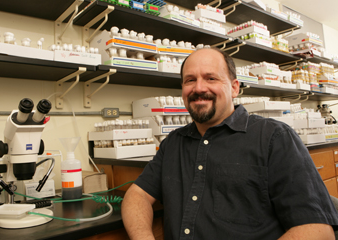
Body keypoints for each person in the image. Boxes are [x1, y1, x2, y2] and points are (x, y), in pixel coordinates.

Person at [121, 47, 338, 240]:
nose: (198, 88)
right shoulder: (174, 143)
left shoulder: (274, 137)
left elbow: (317, 230)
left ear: (234, 88)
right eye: (189, 80)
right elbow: (137, 195)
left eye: (211, 78)